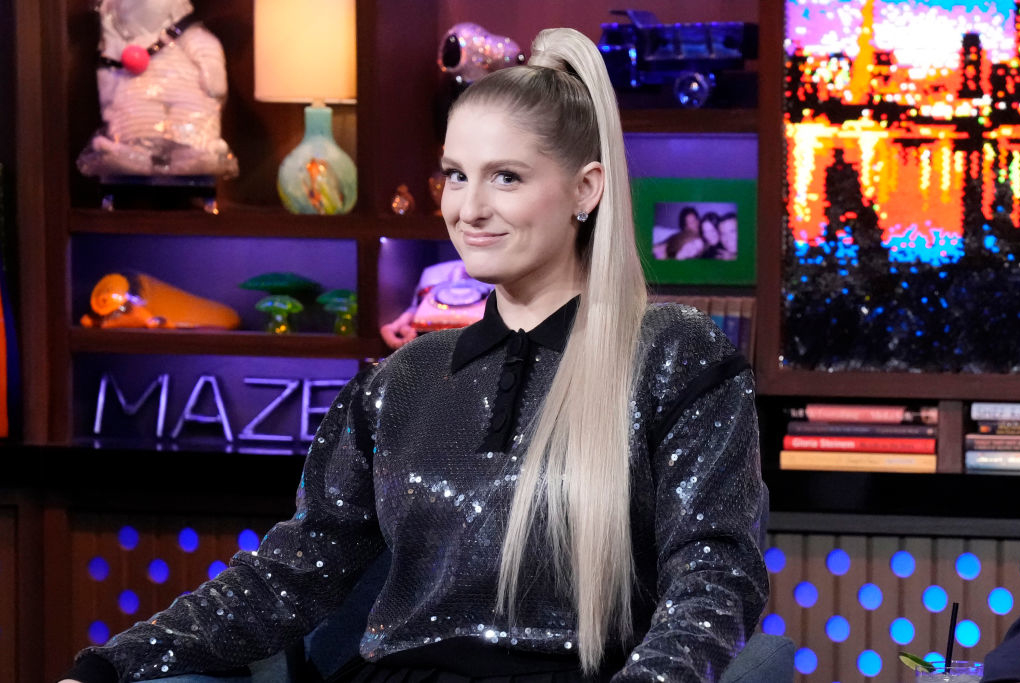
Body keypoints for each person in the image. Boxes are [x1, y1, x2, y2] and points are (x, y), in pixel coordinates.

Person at [61, 27, 768, 683]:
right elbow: (290, 574)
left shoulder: (676, 356)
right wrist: (109, 665)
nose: (470, 208)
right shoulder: (400, 379)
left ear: (586, 188)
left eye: (506, 177)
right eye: (456, 174)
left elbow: (715, 578)